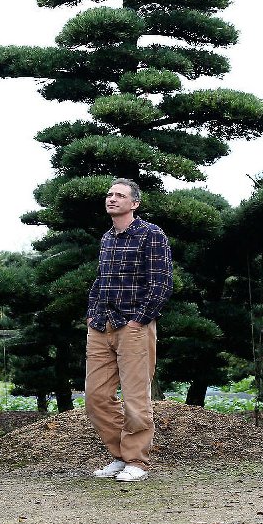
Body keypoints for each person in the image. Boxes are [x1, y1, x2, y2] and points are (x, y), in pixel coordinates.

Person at [84, 177, 173, 483]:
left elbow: (161, 282)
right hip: (100, 325)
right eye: (109, 194)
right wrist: (91, 314)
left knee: (136, 399)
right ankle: (120, 456)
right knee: (95, 398)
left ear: (134, 203)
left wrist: (140, 319)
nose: (112, 198)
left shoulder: (151, 235)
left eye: (119, 195)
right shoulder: (107, 238)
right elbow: (99, 280)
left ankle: (136, 461)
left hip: (134, 326)